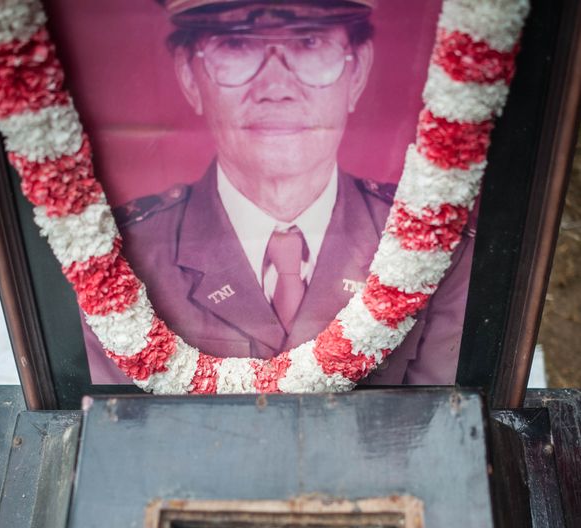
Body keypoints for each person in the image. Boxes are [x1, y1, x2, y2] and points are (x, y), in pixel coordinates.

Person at [83, 0, 475, 386]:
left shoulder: (434, 245)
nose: (276, 88)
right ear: (190, 76)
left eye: (308, 42)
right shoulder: (120, 256)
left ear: (357, 74)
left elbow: (446, 427)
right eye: (237, 45)